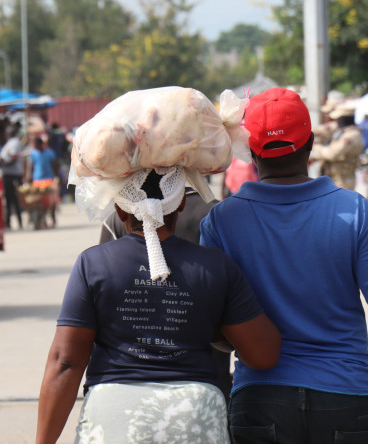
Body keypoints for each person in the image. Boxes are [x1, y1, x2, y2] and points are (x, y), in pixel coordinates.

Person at [199, 87, 368, 444]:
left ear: (251, 150)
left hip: (261, 401)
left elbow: (216, 332)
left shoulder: (221, 222)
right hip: (347, 399)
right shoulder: (354, 211)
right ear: (311, 143)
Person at [37, 167, 281, 444]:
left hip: (113, 416)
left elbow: (66, 362)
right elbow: (263, 355)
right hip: (194, 417)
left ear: (119, 208)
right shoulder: (216, 267)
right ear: (181, 203)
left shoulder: (93, 264)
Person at [98, 188, 236, 403]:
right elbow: (237, 317)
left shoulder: (119, 218)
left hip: (130, 386)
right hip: (206, 387)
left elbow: (103, 310)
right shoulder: (218, 213)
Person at [311, 102, 364, 190]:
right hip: (333, 178)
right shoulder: (343, 131)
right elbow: (322, 130)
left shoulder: (352, 136)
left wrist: (315, 146)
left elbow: (332, 154)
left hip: (343, 181)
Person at [26, 136, 60, 228]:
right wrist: (28, 177)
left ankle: (53, 219)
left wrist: (57, 177)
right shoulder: (33, 154)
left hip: (49, 180)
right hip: (37, 180)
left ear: (41, 145)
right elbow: (31, 166)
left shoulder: (49, 153)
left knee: (51, 202)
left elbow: (55, 165)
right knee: (40, 203)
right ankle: (42, 221)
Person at [0, 124, 26, 230]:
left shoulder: (14, 143)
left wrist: (3, 165)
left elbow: (13, 158)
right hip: (8, 174)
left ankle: (19, 221)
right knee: (9, 200)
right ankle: (8, 222)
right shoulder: (9, 143)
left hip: (13, 175)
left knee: (14, 199)